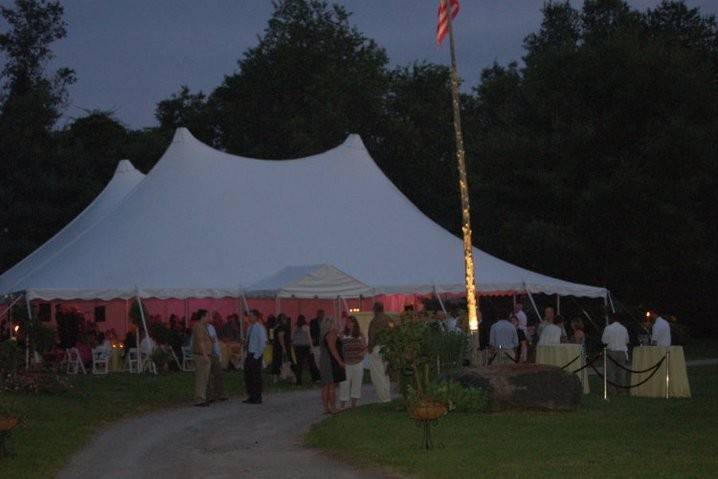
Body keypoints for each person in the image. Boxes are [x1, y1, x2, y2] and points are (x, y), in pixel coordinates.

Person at [339, 316, 367, 409]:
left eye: (349, 322)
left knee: (357, 383)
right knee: (344, 384)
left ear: (354, 323)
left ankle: (354, 404)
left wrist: (362, 353)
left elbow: (365, 347)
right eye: (347, 322)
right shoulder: (343, 334)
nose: (347, 324)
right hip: (346, 363)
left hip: (357, 362)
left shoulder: (360, 335)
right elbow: (339, 347)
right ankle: (342, 403)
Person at [319, 317, 345, 414]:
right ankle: (333, 407)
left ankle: (326, 408)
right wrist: (340, 362)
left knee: (326, 386)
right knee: (331, 385)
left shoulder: (323, 335)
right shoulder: (331, 334)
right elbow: (333, 350)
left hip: (324, 360)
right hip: (330, 361)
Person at [367, 302, 392, 403]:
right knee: (385, 373)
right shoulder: (389, 319)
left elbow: (373, 336)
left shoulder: (375, 321)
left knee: (378, 374)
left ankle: (384, 398)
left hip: (377, 348)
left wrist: (370, 347)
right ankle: (387, 394)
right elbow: (393, 329)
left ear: (375, 309)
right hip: (388, 347)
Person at [601, 312, 630, 394]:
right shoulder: (624, 328)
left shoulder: (608, 328)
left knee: (611, 372)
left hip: (611, 352)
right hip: (622, 352)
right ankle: (622, 389)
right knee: (621, 372)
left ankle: (612, 390)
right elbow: (627, 341)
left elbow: (604, 341)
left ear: (612, 319)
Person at [244, 310, 267, 404]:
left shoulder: (259, 328)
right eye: (248, 316)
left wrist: (257, 356)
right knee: (248, 376)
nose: (249, 318)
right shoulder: (250, 327)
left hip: (255, 354)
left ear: (256, 317)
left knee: (256, 376)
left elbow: (262, 343)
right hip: (249, 353)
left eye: (251, 316)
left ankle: (257, 397)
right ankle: (251, 395)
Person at [191, 309, 213, 407]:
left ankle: (202, 397)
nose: (209, 318)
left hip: (204, 354)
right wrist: (204, 354)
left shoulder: (203, 326)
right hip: (201, 355)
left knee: (204, 377)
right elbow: (200, 341)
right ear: (203, 316)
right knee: (201, 377)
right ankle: (199, 399)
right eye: (208, 316)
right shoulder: (199, 326)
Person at [292, 315, 320, 384]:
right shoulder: (306, 327)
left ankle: (299, 380)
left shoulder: (295, 327)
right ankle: (315, 378)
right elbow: (309, 338)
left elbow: (292, 337)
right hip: (306, 346)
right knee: (311, 363)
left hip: (297, 347)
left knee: (299, 364)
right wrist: (312, 347)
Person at [206, 315, 227, 402]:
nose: (209, 318)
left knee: (219, 375)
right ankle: (210, 396)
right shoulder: (200, 328)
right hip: (207, 354)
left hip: (214, 354)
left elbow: (215, 341)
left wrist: (218, 352)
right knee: (208, 376)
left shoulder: (211, 327)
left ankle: (220, 394)